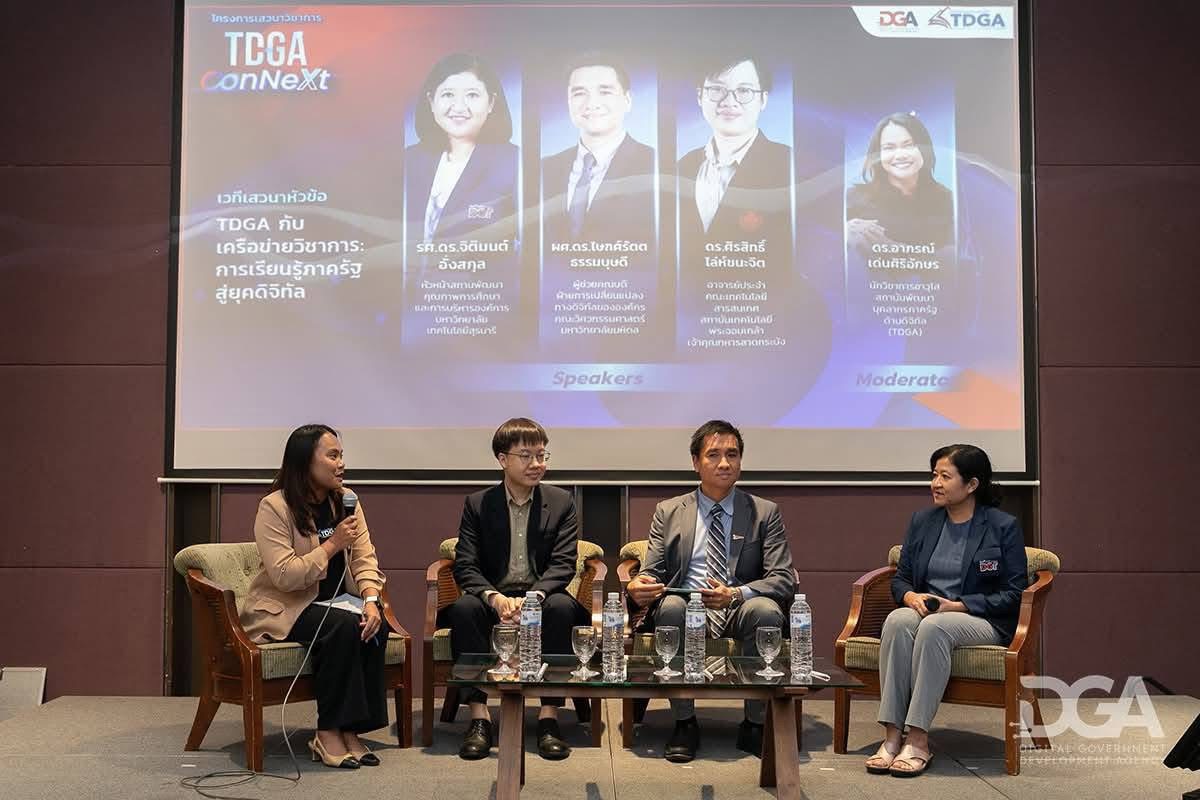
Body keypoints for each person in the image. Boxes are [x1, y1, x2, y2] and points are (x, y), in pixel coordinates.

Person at [625, 420, 796, 762]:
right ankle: (684, 722)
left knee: (765, 611)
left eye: (732, 455)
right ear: (696, 462)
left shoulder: (763, 512)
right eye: (714, 455)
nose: (724, 463)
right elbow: (652, 571)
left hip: (739, 606)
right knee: (672, 608)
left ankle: (755, 722)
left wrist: (735, 594)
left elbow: (782, 578)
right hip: (688, 604)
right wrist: (637, 585)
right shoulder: (669, 511)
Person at [866, 444, 1027, 777]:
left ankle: (918, 739)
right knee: (897, 620)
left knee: (934, 627)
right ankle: (892, 735)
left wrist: (959, 605)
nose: (935, 483)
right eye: (934, 475)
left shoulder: (1002, 526)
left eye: (945, 476)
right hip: (927, 611)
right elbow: (902, 577)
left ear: (972, 484)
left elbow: (1013, 593)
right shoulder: (923, 521)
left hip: (980, 619)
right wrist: (909, 596)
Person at [437, 418, 590, 761]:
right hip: (495, 595)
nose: (537, 464)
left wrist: (534, 598)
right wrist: (494, 598)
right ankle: (479, 718)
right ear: (502, 459)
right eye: (526, 456)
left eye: (542, 455)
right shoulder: (478, 503)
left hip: (542, 596)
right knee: (464, 609)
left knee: (562, 609)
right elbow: (466, 564)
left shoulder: (561, 502)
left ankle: (548, 718)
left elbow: (563, 564)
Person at [240, 424, 389, 769]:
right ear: (306, 462)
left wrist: (370, 600)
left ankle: (351, 730)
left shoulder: (347, 501)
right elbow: (285, 575)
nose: (341, 463)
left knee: (374, 625)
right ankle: (327, 732)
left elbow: (365, 559)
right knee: (341, 626)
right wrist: (333, 544)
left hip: (337, 602)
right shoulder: (274, 507)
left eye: (341, 455)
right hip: (287, 606)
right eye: (332, 456)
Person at [677, 55, 791, 247]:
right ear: (699, 96)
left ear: (763, 100)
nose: (729, 102)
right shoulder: (682, 167)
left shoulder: (790, 165)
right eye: (716, 89)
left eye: (744, 90)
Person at [405, 53, 518, 245]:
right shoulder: (409, 160)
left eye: (472, 95)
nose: (458, 107)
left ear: (491, 103)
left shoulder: (516, 163)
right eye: (448, 94)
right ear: (431, 102)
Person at [542, 53, 655, 244]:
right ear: (568, 101)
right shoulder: (543, 169)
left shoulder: (657, 166)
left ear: (627, 100)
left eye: (605, 92)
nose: (591, 104)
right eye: (579, 93)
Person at [846, 111, 954, 253]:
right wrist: (845, 232)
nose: (900, 155)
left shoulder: (948, 200)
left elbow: (956, 258)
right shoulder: (853, 199)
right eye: (889, 148)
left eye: (909, 145)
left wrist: (892, 248)